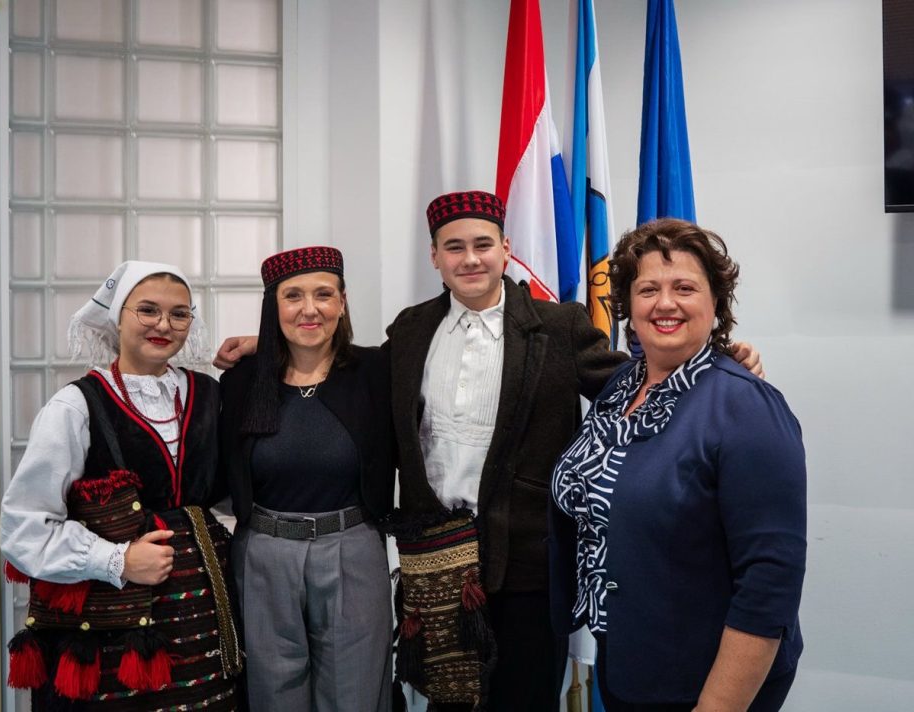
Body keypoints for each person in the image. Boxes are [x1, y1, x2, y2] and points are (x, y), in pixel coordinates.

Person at [214, 191, 762, 712]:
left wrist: (714, 367)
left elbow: (634, 384)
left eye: (482, 244)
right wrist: (273, 342)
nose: (470, 258)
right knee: (449, 702)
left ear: (505, 248)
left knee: (524, 700)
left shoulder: (558, 326)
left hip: (525, 563)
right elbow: (345, 366)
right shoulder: (411, 329)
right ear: (435, 256)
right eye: (454, 247)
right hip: (437, 562)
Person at [549, 218, 806, 711]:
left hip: (704, 682)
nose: (665, 303)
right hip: (627, 662)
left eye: (684, 288)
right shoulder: (620, 387)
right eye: (648, 289)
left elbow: (769, 583)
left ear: (716, 302)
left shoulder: (746, 407)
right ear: (629, 305)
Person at [0, 261, 241, 711]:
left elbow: (232, 490)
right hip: (110, 619)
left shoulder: (209, 394)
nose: (163, 325)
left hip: (202, 608)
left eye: (179, 314)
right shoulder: (75, 406)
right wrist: (118, 560)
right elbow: (24, 526)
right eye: (148, 310)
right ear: (117, 316)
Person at [218, 246, 395, 711]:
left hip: (353, 551)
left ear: (343, 302)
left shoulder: (377, 371)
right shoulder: (241, 382)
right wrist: (263, 346)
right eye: (293, 296)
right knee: (273, 696)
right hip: (264, 556)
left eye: (324, 294)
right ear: (272, 306)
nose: (309, 308)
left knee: (356, 696)